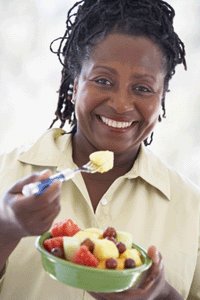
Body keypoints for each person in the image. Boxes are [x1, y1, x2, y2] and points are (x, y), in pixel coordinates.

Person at [0, 0, 199, 299]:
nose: (120, 105)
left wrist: (162, 295)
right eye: (103, 80)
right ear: (73, 84)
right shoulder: (6, 174)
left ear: (162, 98)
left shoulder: (192, 207)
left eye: (143, 88)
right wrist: (6, 230)